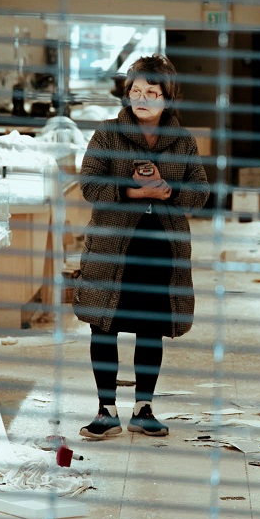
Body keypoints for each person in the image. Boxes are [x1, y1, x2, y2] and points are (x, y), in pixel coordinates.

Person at [73, 54, 209, 439]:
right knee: (103, 325)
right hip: (113, 246)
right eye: (135, 90)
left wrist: (169, 191)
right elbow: (88, 184)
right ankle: (105, 411)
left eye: (152, 92)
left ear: (168, 98)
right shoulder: (107, 134)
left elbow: (200, 192)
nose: (142, 98)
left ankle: (144, 408)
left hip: (161, 247)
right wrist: (130, 191)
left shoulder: (182, 142)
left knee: (151, 328)